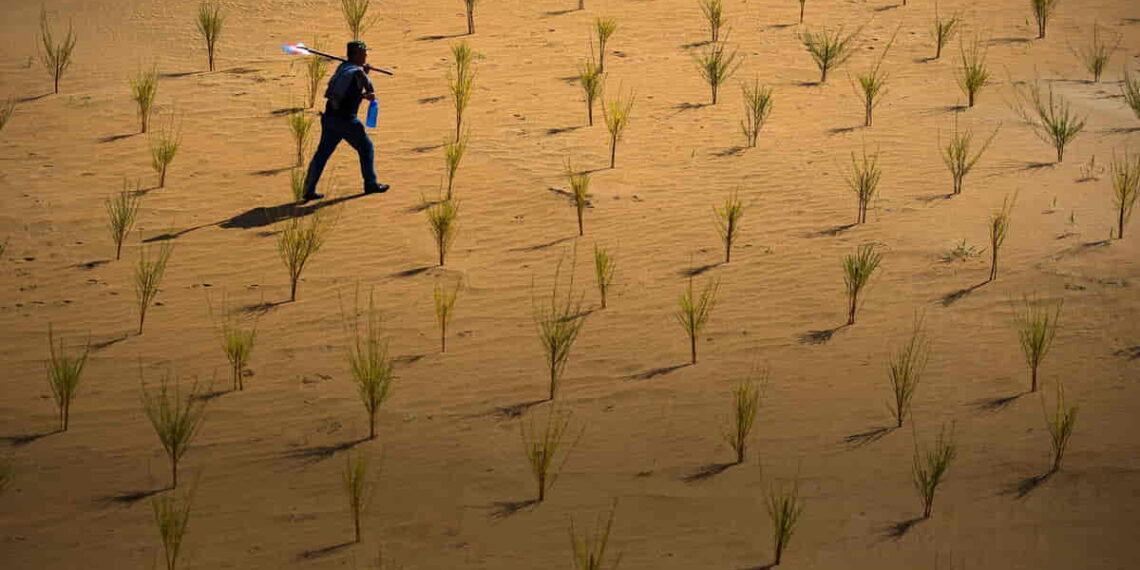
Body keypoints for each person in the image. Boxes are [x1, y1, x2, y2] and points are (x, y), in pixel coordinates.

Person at [302, 40, 389, 201]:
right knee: (366, 148)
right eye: (363, 53)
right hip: (346, 120)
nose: (366, 55)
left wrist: (363, 75)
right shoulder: (356, 72)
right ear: (355, 55)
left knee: (322, 154)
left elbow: (348, 91)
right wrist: (366, 91)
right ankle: (370, 184)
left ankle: (309, 189)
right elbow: (369, 90)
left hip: (329, 118)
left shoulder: (343, 68)